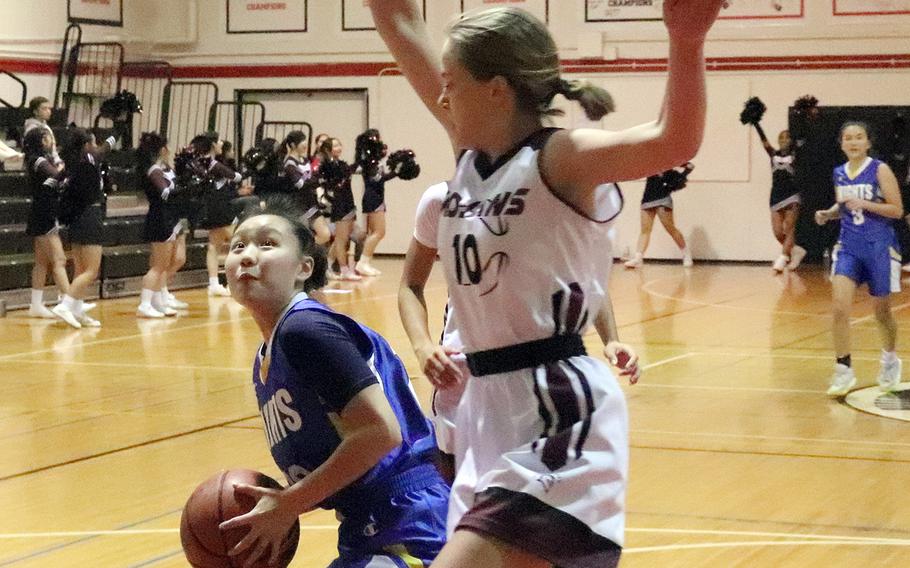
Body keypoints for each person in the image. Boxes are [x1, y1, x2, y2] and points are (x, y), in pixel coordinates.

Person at [371, 1, 721, 565]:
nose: (440, 98)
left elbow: (672, 140)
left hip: (557, 408)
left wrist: (686, 37)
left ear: (497, 90)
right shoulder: (470, 161)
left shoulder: (559, 157)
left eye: (451, 84)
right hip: (485, 410)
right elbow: (400, 22)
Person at [218, 198, 449, 567]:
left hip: (408, 520)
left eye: (267, 244)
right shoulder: (268, 356)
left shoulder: (304, 329)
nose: (247, 256)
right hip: (367, 525)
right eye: (238, 246)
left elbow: (381, 432)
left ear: (303, 267)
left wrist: (290, 503)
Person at [401, 181, 641, 486]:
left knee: (531, 500)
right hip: (460, 371)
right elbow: (410, 285)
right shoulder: (441, 199)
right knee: (459, 496)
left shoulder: (551, 199)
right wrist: (422, 346)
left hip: (535, 377)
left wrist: (612, 339)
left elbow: (587, 278)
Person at [814, 121, 903, 397]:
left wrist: (866, 203)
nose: (853, 142)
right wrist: (829, 214)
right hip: (849, 246)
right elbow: (846, 206)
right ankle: (843, 369)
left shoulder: (880, 169)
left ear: (868, 143)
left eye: (859, 137)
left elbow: (896, 210)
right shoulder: (839, 173)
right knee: (840, 308)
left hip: (879, 246)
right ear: (841, 144)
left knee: (882, 312)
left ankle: (889, 359)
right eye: (848, 138)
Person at [56, 128, 115, 328]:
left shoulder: (73, 163)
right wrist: (118, 132)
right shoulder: (88, 160)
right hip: (90, 216)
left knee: (80, 269)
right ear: (87, 145)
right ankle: (65, 305)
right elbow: (105, 148)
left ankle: (77, 309)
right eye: (93, 142)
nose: (97, 146)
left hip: (77, 218)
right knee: (91, 270)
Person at [21, 127, 75, 326]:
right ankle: (70, 304)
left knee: (42, 261)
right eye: (48, 137)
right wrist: (69, 164)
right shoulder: (38, 160)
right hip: (44, 212)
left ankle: (36, 304)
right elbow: (57, 177)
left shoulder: (43, 158)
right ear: (41, 140)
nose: (51, 140)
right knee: (59, 259)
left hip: (45, 210)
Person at [135, 132, 187, 318]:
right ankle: (144, 303)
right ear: (163, 150)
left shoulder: (161, 168)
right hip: (160, 218)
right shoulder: (154, 170)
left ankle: (156, 301)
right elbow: (164, 192)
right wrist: (185, 189)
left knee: (163, 264)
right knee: (157, 266)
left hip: (167, 217)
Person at [750, 124, 807, 272]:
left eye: (787, 137)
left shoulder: (795, 154)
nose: (784, 139)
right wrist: (756, 123)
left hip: (792, 195)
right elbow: (764, 141)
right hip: (776, 195)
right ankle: (795, 251)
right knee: (777, 232)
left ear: (791, 140)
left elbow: (802, 137)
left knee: (789, 227)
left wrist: (804, 118)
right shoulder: (773, 154)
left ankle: (782, 258)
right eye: (781, 137)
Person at [191, 132, 242, 297]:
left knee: (214, 245)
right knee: (238, 242)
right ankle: (233, 282)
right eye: (219, 141)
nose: (222, 143)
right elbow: (236, 177)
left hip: (210, 206)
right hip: (220, 206)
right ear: (213, 145)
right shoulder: (212, 163)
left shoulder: (199, 162)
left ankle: (214, 283)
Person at [624, 163, 694, 268]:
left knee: (670, 228)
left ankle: (686, 254)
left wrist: (679, 164)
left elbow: (690, 166)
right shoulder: (652, 163)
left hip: (663, 198)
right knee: (645, 230)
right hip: (648, 198)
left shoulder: (670, 163)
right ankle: (638, 258)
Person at [354, 129, 397, 276]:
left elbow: (380, 178)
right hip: (373, 197)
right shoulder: (369, 161)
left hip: (376, 196)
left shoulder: (373, 160)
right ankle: (362, 263)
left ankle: (365, 262)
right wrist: (396, 172)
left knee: (374, 232)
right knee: (379, 232)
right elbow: (377, 179)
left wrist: (395, 172)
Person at [318, 137, 362, 281]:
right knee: (341, 239)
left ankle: (328, 266)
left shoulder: (340, 163)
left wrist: (361, 156)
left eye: (339, 144)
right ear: (328, 149)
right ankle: (344, 270)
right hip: (340, 205)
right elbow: (331, 183)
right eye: (335, 145)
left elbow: (350, 170)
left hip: (348, 203)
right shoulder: (328, 165)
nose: (339, 147)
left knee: (341, 239)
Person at [278, 130, 330, 245]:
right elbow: (300, 183)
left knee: (325, 235)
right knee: (303, 237)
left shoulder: (305, 160)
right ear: (292, 145)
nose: (305, 147)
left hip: (310, 202)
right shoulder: (289, 164)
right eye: (303, 145)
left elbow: (313, 176)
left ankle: (303, 254)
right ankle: (299, 255)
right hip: (299, 205)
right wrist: (316, 180)